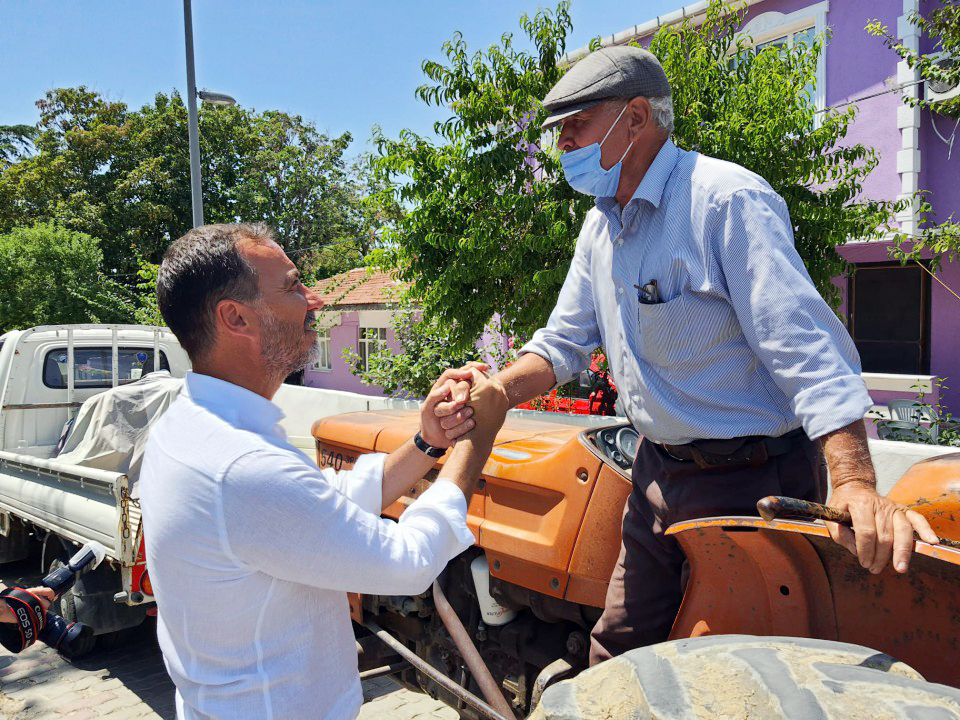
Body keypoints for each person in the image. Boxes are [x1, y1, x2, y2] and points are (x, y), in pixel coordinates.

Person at [437, 46, 939, 666]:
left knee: (752, 668)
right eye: (560, 132)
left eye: (577, 125)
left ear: (637, 118)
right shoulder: (601, 228)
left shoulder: (724, 202)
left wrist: (856, 484)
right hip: (657, 475)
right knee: (618, 653)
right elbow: (563, 342)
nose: (564, 145)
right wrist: (496, 388)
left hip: (754, 481)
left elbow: (808, 352)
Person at [139, 223, 509, 720]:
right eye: (293, 286)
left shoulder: (192, 427)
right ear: (236, 318)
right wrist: (476, 438)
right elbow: (407, 562)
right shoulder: (241, 467)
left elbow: (323, 503)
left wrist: (428, 441)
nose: (314, 298)